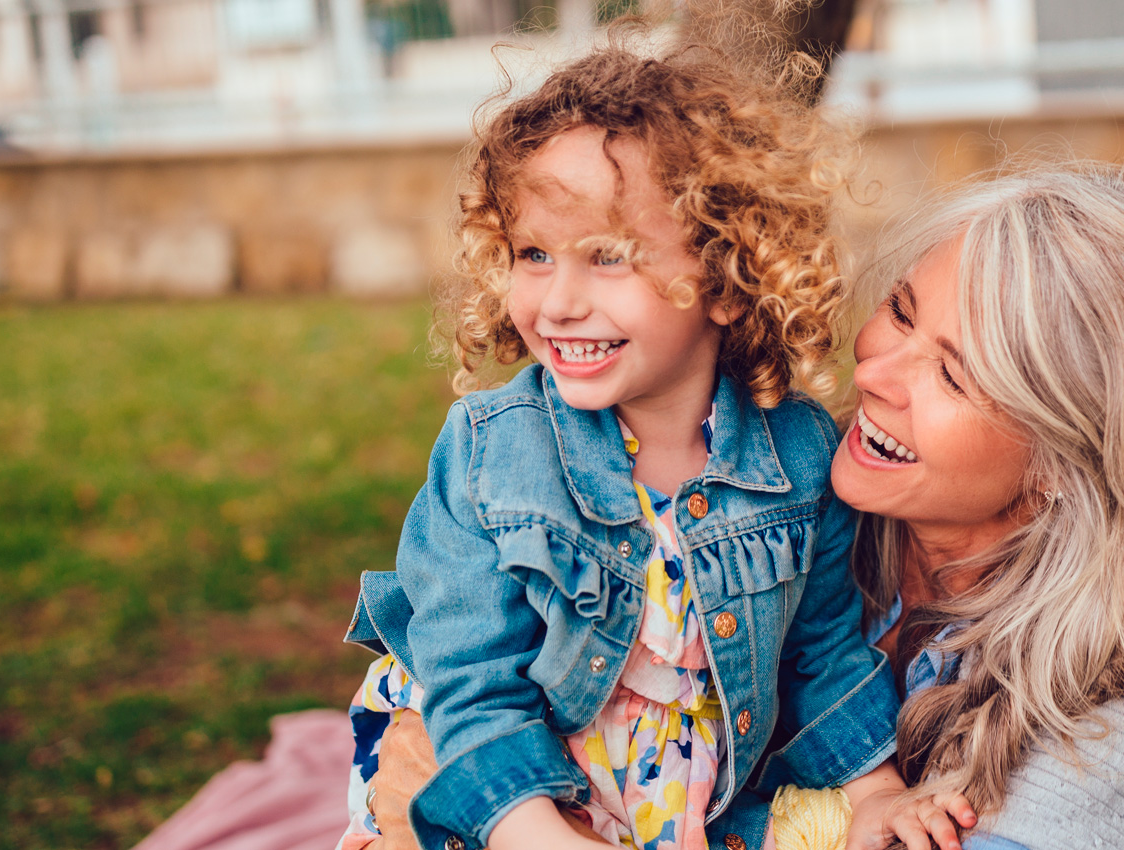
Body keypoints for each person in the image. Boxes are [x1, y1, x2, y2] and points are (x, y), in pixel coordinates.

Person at [337, 31, 974, 850]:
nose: (559, 301)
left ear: (727, 277)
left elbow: (823, 654)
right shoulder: (492, 455)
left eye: (607, 257)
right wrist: (534, 831)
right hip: (493, 784)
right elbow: (471, 678)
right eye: (534, 254)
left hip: (673, 791)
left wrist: (878, 790)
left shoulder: (797, 455)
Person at [829, 164, 1124, 848]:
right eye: (900, 311)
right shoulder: (765, 506)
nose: (872, 374)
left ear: (1056, 461)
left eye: (952, 376)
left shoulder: (1096, 732)